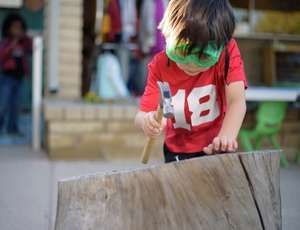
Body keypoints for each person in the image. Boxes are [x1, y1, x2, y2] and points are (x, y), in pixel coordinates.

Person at [135, 0, 248, 163]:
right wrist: (146, 121)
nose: (191, 63)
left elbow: (236, 101)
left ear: (220, 47)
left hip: (215, 146)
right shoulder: (160, 66)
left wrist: (226, 137)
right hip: (177, 150)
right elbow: (142, 113)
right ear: (167, 34)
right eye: (181, 51)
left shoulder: (227, 52)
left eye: (203, 57)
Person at [0, 13, 32, 135]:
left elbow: (31, 46)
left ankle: (12, 128)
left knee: (16, 105)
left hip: (19, 78)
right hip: (7, 78)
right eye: (14, 27)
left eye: (20, 27)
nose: (17, 30)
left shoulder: (24, 43)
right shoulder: (5, 42)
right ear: (8, 28)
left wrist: (23, 38)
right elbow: (2, 57)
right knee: (3, 104)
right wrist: (12, 46)